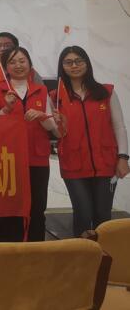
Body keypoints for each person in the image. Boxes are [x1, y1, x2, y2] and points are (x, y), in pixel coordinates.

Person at [54, 46, 129, 237]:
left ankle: (105, 254)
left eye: (79, 60)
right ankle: (82, 253)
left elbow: (119, 126)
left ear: (87, 63)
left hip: (105, 163)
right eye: (68, 62)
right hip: (73, 164)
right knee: (83, 213)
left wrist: (123, 157)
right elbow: (54, 132)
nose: (74, 65)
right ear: (62, 66)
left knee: (103, 216)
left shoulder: (105, 92)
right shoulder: (56, 97)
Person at [0, 47, 62, 243]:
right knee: (10, 207)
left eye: (22, 61)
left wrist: (42, 116)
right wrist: (6, 109)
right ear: (6, 67)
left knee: (37, 207)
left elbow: (53, 127)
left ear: (30, 64)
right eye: (12, 62)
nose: (18, 65)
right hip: (8, 158)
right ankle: (11, 249)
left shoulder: (41, 90)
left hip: (37, 158)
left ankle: (36, 248)